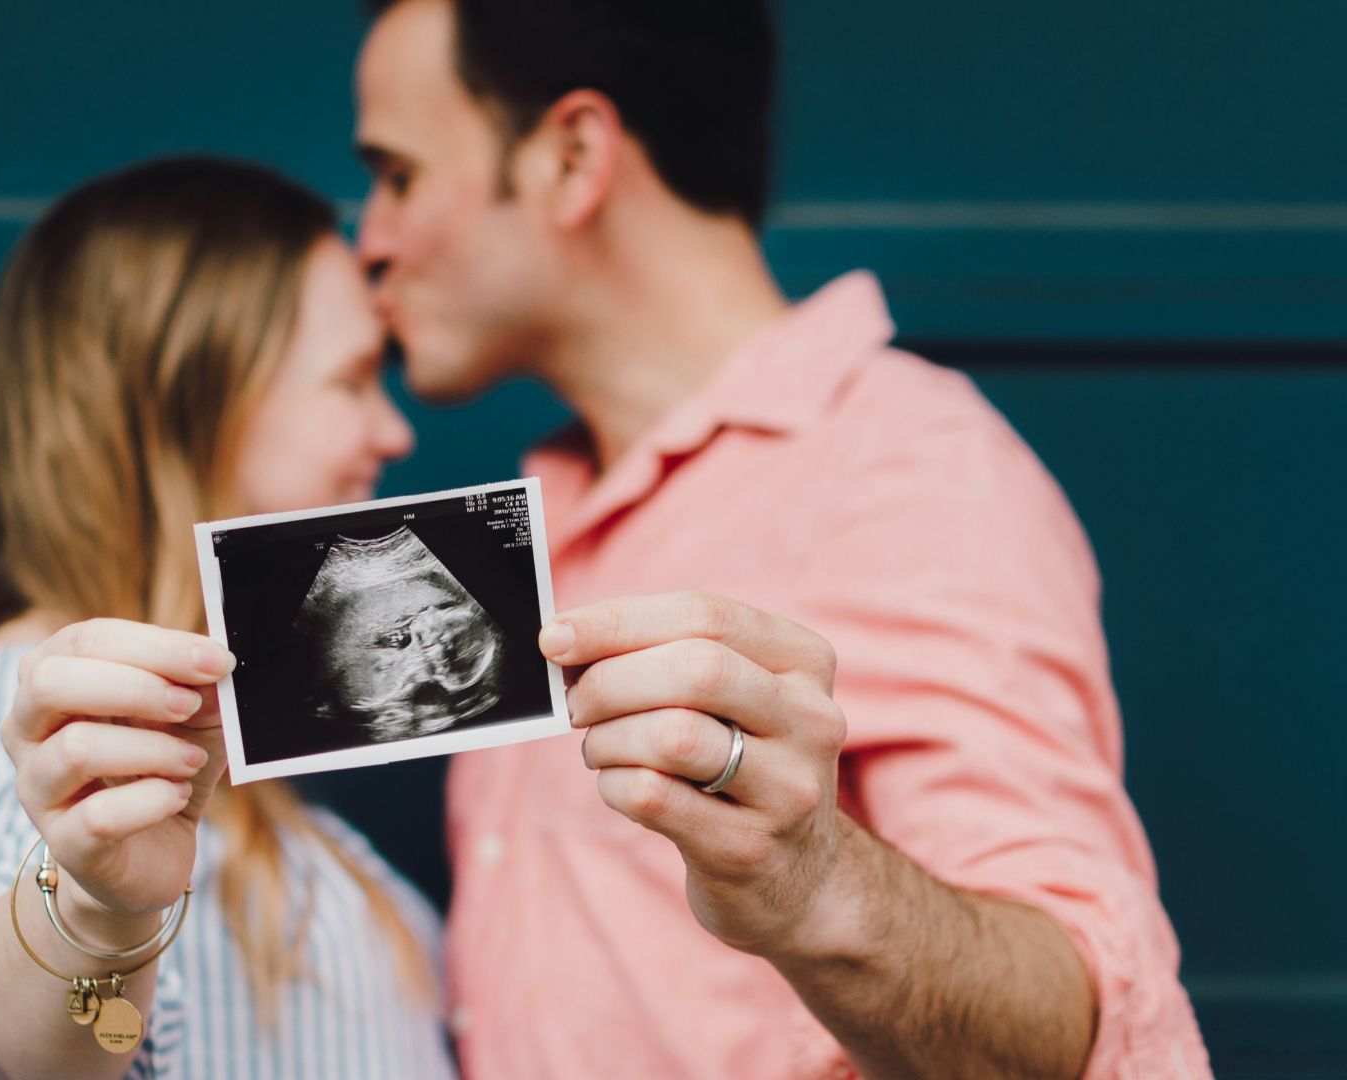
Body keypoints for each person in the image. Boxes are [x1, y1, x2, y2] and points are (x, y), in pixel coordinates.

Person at [351, 0, 1211, 1076]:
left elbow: (1072, 1026)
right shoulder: (536, 510)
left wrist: (814, 886)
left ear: (573, 156)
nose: (369, 242)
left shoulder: (903, 470)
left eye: (397, 176)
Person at [0, 157, 454, 1079]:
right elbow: (20, 1046)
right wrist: (99, 917)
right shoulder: (36, 719)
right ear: (186, 399)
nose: (394, 431)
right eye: (353, 379)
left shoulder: (219, 757)